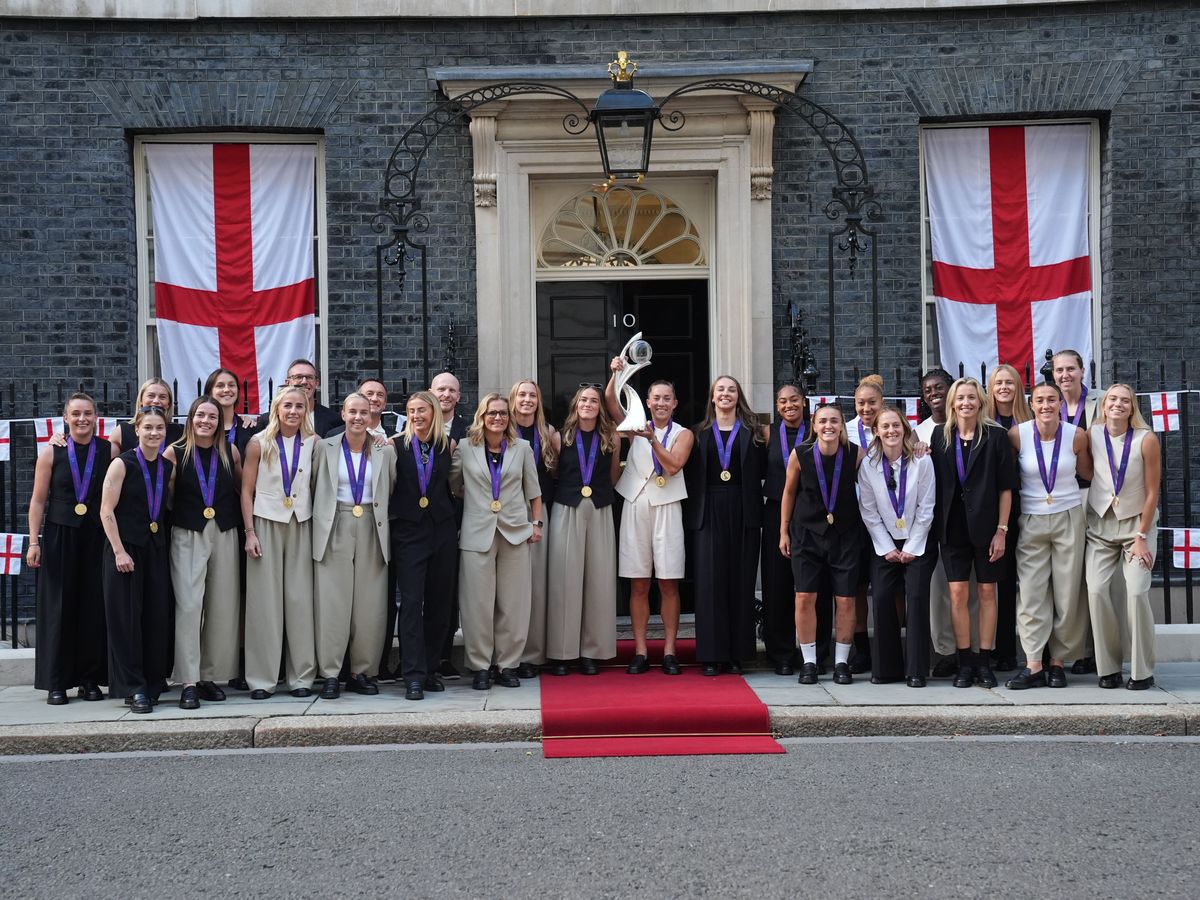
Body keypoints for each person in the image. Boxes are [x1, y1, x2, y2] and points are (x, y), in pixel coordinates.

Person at [605, 362, 694, 675]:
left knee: (669, 582)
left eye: (666, 398)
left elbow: (672, 467)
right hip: (636, 502)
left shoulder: (683, 434)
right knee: (639, 583)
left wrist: (652, 439)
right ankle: (641, 650)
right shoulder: (634, 423)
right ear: (647, 400)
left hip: (668, 505)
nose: (661, 403)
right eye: (656, 397)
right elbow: (611, 402)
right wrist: (616, 371)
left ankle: (670, 650)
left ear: (674, 403)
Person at [26, 393, 113, 705]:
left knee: (93, 608)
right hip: (60, 535)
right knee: (59, 609)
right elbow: (37, 501)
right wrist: (33, 541)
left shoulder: (107, 450)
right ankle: (57, 682)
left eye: (88, 413)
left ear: (96, 416)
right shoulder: (52, 451)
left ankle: (89, 680)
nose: (82, 419)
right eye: (75, 413)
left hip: (95, 536)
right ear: (65, 417)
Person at [451, 394, 543, 689]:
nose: (498, 418)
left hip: (515, 531)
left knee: (513, 603)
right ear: (482, 416)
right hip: (477, 533)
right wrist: (479, 502)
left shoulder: (522, 448)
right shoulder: (465, 448)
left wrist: (535, 524)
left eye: (503, 413)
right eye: (492, 413)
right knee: (477, 603)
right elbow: (453, 485)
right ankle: (480, 665)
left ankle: (507, 665)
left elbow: (534, 492)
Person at [1006, 382, 1094, 690]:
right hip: (1031, 519)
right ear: (1032, 404)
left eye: (1052, 400)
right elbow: (1007, 475)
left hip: (1069, 515)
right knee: (1031, 592)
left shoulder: (1077, 435)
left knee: (1068, 593)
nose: (1046, 405)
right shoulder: (1017, 435)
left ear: (1060, 404)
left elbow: (1087, 474)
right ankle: (1033, 664)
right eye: (1040, 400)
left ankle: (1057, 662)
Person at [930, 377, 1016, 689]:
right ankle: (964, 659)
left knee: (987, 592)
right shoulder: (940, 438)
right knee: (956, 593)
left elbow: (1006, 488)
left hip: (988, 528)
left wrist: (1002, 531)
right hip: (952, 528)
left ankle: (983, 659)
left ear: (980, 402)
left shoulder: (996, 436)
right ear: (952, 403)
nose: (966, 403)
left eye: (971, 397)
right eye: (960, 398)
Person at [312, 393, 396, 700]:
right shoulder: (325, 447)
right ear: (343, 415)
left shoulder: (385, 451)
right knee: (333, 603)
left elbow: (391, 486)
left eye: (364, 412)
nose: (359, 417)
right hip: (336, 523)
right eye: (353, 412)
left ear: (372, 414)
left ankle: (363, 672)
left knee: (369, 605)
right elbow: (314, 486)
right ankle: (332, 673)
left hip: (372, 525)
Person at [163, 396, 243, 709]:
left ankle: (210, 676)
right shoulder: (176, 452)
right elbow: (165, 495)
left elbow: (240, 489)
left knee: (221, 607)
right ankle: (188, 681)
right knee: (189, 606)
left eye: (211, 416)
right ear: (191, 418)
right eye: (200, 415)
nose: (206, 421)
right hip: (188, 532)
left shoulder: (230, 452)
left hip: (224, 532)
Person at [684, 375, 764, 676]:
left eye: (731, 390)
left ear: (738, 396)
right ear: (713, 398)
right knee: (710, 583)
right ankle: (711, 654)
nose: (726, 394)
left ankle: (737, 654)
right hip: (709, 510)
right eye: (721, 390)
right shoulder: (698, 433)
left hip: (744, 510)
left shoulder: (754, 433)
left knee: (741, 582)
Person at [242, 386, 318, 699]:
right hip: (266, 524)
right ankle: (262, 679)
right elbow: (246, 491)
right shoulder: (259, 443)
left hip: (301, 524)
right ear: (277, 408)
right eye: (288, 405)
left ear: (306, 410)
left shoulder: (315, 444)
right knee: (264, 604)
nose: (293, 412)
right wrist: (249, 532)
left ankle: (301, 677)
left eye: (299, 406)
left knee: (301, 602)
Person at [779, 402, 863, 685]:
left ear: (842, 425)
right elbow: (789, 493)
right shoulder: (800, 454)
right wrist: (783, 531)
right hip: (806, 534)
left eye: (834, 421)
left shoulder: (855, 454)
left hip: (845, 535)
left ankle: (841, 661)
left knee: (846, 599)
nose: (829, 426)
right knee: (805, 597)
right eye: (823, 421)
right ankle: (810, 662)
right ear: (813, 425)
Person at [98, 405, 173, 713]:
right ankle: (133, 687)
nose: (154, 433)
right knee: (126, 620)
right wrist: (118, 551)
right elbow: (105, 510)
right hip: (125, 549)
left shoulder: (166, 466)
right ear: (137, 429)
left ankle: (154, 681)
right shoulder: (121, 464)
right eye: (148, 428)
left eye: (160, 428)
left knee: (155, 617)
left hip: (154, 547)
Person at [1085, 384, 1161, 690]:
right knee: (1096, 591)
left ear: (1132, 408)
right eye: (1112, 399)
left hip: (1136, 528)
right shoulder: (1090, 435)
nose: (1118, 404)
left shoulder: (1147, 439)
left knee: (1136, 592)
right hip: (1101, 527)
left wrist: (1142, 534)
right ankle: (1109, 668)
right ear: (1103, 406)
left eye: (1125, 401)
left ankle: (1142, 670)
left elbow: (1153, 490)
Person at [857, 406, 938, 687]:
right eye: (885, 427)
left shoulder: (921, 461)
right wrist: (886, 547)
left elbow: (927, 507)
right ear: (876, 432)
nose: (891, 431)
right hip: (885, 543)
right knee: (880, 598)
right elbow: (868, 510)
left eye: (896, 426)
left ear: (904, 429)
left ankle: (916, 670)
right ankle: (886, 669)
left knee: (915, 598)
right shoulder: (868, 465)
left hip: (918, 541)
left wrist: (912, 547)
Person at [545, 384, 621, 675]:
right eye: (583, 400)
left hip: (600, 509)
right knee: (565, 580)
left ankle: (592, 652)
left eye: (594, 401)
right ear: (575, 405)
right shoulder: (558, 437)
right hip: (567, 508)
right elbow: (554, 472)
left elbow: (614, 474)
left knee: (598, 582)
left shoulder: (610, 436)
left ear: (600, 407)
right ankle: (563, 653)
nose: (588, 404)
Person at [390, 391, 458, 701]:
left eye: (422, 410)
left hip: (442, 531)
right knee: (412, 603)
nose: (417, 415)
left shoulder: (449, 445)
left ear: (434, 413)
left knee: (439, 603)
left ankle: (430, 669)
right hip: (409, 533)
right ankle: (412, 674)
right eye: (412, 410)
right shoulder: (394, 445)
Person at [761, 382, 830, 676]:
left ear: (804, 402)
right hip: (777, 511)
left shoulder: (819, 432)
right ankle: (782, 653)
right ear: (777, 406)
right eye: (782, 401)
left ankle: (816, 652)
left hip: (814, 513)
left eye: (794, 400)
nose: (788, 405)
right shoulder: (766, 435)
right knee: (777, 585)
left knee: (815, 586)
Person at [914, 368, 966, 678]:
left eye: (940, 387)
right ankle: (945, 650)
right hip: (933, 520)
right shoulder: (918, 433)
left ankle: (969, 648)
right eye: (928, 390)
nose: (934, 393)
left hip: (966, 518)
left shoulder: (969, 425)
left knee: (968, 587)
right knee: (939, 587)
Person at [1053, 348, 1101, 675]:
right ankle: (1078, 648)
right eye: (1059, 370)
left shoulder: (1100, 401)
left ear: (1083, 371)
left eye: (1071, 368)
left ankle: (1097, 651)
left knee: (1093, 576)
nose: (1065, 375)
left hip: (1094, 496)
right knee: (1069, 578)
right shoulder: (1047, 405)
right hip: (1060, 498)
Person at [985, 363, 1033, 671]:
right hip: (997, 507)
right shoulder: (984, 423)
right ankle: (1001, 650)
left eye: (1009, 382)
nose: (1004, 387)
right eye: (998, 382)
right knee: (998, 580)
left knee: (1027, 580)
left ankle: (1034, 648)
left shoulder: (1030, 419)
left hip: (1030, 506)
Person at [509, 379, 558, 679]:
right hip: (508, 514)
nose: (527, 400)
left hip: (538, 513)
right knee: (512, 586)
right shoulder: (501, 432)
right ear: (513, 400)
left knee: (536, 585)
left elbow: (558, 472)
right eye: (522, 395)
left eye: (532, 396)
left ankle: (532, 654)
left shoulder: (548, 434)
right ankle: (508, 651)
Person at [845, 374, 885, 672]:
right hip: (854, 519)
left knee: (888, 587)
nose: (866, 408)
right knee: (857, 587)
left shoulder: (894, 428)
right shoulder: (845, 431)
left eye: (872, 402)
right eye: (861, 403)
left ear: (882, 402)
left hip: (889, 519)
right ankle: (862, 650)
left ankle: (890, 643)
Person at [430, 370, 468, 679]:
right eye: (441, 389)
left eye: (451, 390)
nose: (446, 394)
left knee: (449, 589)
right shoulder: (413, 426)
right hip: (418, 522)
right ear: (431, 391)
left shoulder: (469, 431)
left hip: (455, 519)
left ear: (458, 396)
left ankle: (443, 655)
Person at [49, 378, 183, 454]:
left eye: (162, 397)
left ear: (169, 403)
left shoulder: (180, 432)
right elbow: (95, 451)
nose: (156, 401)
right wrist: (63, 437)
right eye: (151, 395)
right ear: (141, 400)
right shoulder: (123, 430)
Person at [255, 359, 341, 438]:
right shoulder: (266, 420)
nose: (304, 382)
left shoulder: (334, 419)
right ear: (287, 383)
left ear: (316, 383)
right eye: (298, 377)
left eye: (309, 377)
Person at [203, 368, 258, 457]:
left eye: (231, 385)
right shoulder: (200, 428)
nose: (227, 390)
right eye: (220, 386)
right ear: (209, 392)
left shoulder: (250, 428)